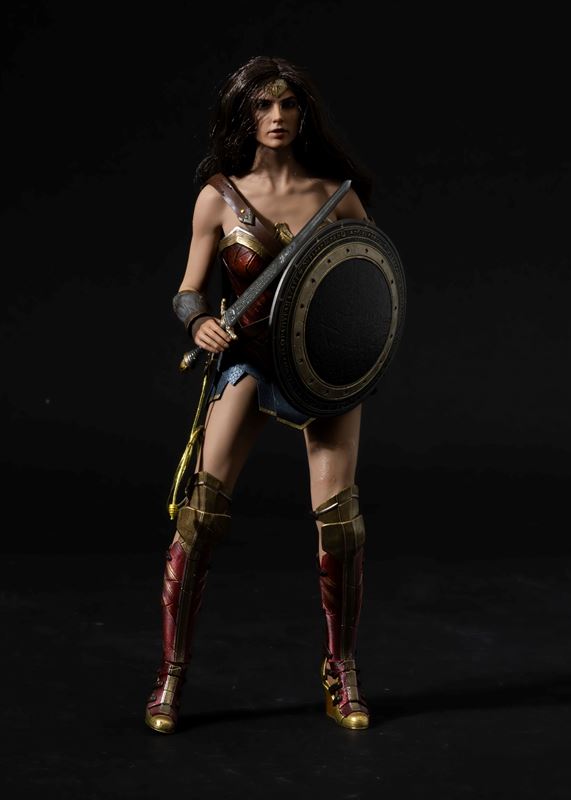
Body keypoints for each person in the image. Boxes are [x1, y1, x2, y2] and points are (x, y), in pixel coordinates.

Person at [145, 55, 376, 734]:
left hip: (322, 369)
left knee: (341, 523)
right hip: (246, 360)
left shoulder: (335, 195)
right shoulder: (219, 198)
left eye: (287, 104)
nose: (276, 117)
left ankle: (341, 669)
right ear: (245, 115)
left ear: (303, 113)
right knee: (199, 517)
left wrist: (355, 350)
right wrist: (200, 321)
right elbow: (188, 289)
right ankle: (171, 673)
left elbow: (369, 292)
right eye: (262, 105)